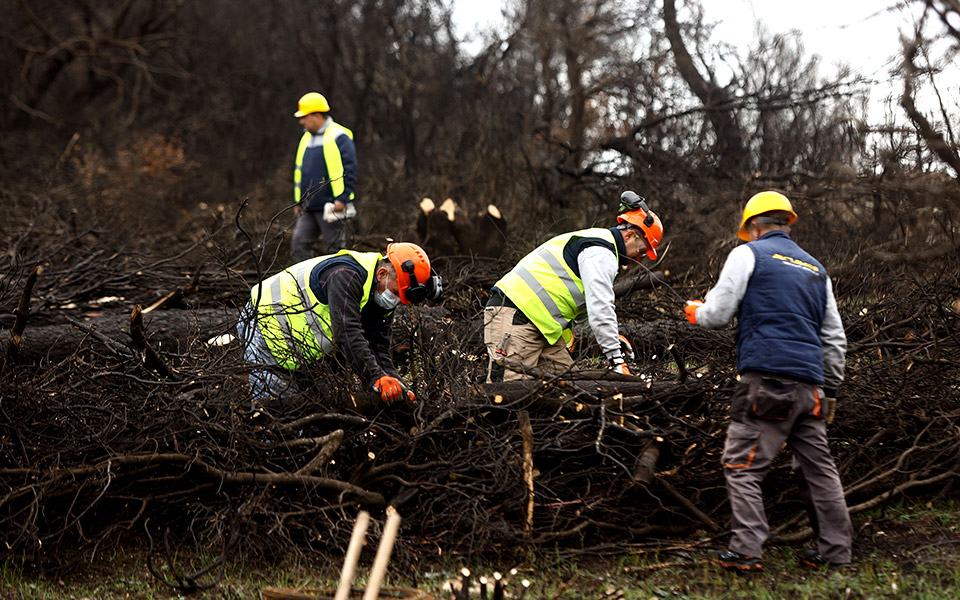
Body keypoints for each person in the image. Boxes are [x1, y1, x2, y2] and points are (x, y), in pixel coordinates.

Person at [684, 190, 852, 572]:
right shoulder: (817, 270)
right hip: (812, 389)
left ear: (754, 227)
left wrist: (698, 312)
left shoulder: (748, 254)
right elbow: (835, 338)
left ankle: (746, 550)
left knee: (741, 464)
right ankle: (836, 551)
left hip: (767, 384)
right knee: (819, 472)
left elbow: (718, 315)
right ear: (787, 223)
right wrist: (830, 390)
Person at [483, 191, 663, 381]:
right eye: (642, 250)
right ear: (630, 235)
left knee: (570, 386)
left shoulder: (600, 247)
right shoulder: (601, 253)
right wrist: (617, 360)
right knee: (509, 389)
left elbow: (587, 311)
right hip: (516, 316)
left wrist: (612, 338)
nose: (639, 258)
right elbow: (600, 307)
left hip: (543, 328)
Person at [237, 242, 441, 404]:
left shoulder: (379, 290)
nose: (394, 300)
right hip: (262, 326)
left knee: (318, 412)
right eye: (396, 293)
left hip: (299, 351)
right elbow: (347, 331)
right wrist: (375, 377)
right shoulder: (345, 275)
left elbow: (378, 346)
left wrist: (395, 383)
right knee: (279, 411)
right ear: (382, 274)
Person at [290, 92, 358, 262]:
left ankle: (338, 277)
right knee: (299, 243)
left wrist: (342, 198)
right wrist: (298, 202)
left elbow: (350, 169)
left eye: (304, 117)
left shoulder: (339, 135)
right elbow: (299, 172)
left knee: (335, 250)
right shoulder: (305, 138)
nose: (301, 121)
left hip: (332, 206)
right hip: (308, 207)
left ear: (316, 115)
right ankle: (304, 278)